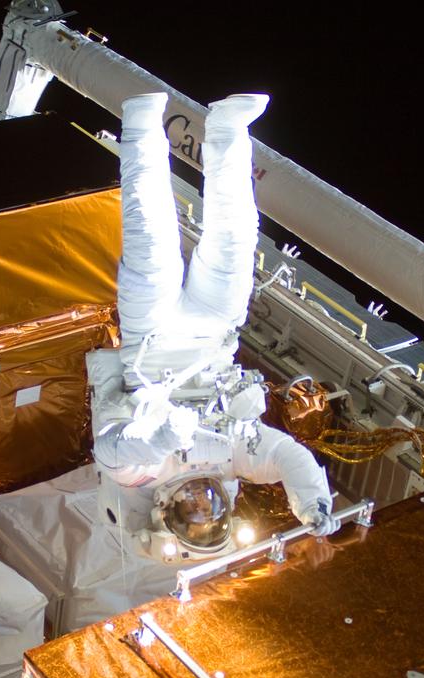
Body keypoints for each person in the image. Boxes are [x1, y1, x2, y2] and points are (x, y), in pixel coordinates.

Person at [90, 91, 338, 558]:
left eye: (192, 512)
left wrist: (165, 437)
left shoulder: (144, 474)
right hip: (214, 338)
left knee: (152, 234)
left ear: (166, 512)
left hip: (153, 340)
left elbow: (111, 451)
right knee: (235, 241)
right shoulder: (234, 455)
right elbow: (288, 457)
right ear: (226, 506)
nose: (202, 503)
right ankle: (227, 130)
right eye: (212, 510)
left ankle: (141, 123)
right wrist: (312, 505)